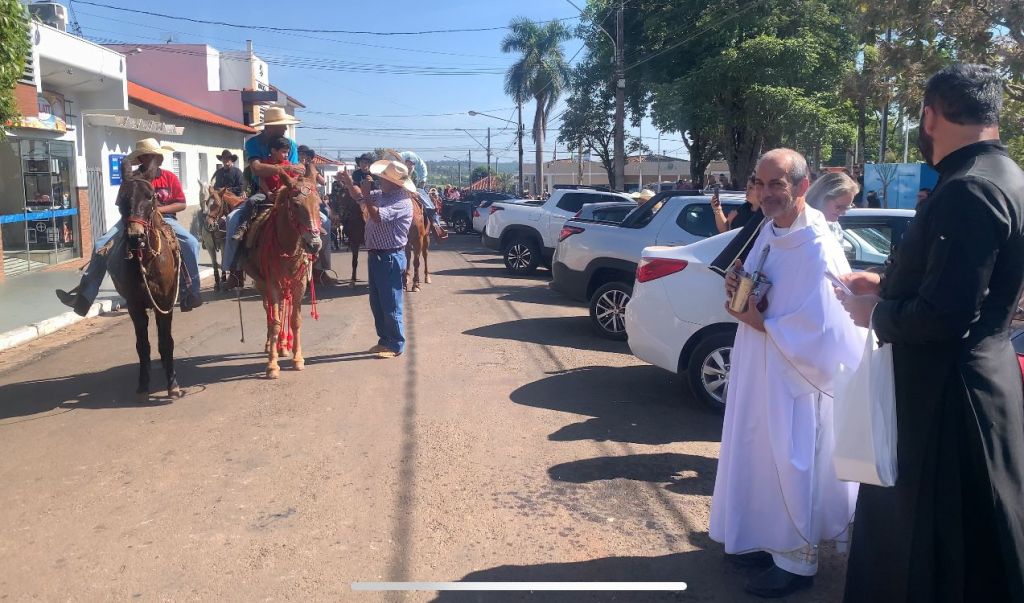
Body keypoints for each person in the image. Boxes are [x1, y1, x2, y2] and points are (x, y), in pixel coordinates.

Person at [837, 64, 1024, 603]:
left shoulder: (969, 188)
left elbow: (946, 316)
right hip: (979, 383)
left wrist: (874, 314)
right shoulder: (1006, 175)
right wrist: (885, 282)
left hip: (946, 401)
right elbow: (963, 282)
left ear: (929, 117)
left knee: (932, 550)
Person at [712, 148, 864, 598]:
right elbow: (759, 283)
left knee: (791, 461)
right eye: (760, 183)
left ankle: (797, 563)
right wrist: (737, 285)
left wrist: (762, 322)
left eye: (777, 183)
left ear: (802, 186)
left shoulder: (817, 244)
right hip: (759, 366)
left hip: (796, 381)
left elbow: (829, 326)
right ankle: (762, 540)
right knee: (756, 453)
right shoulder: (770, 228)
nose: (766, 193)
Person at [56, 138, 203, 315]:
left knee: (191, 243)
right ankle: (84, 298)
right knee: (100, 245)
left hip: (164, 218)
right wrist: (133, 217)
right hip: (133, 219)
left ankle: (191, 292)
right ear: (141, 159)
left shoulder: (169, 177)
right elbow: (121, 203)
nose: (155, 159)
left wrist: (158, 209)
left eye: (156, 155)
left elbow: (181, 204)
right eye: (150, 156)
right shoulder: (131, 179)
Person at [338, 160, 413, 358]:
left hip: (390, 257)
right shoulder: (382, 195)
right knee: (377, 303)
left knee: (391, 303)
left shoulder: (402, 201)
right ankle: (385, 340)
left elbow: (377, 216)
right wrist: (349, 183)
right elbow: (358, 196)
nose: (380, 180)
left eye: (383, 178)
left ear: (394, 183)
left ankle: (395, 344)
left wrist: (366, 194)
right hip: (378, 256)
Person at [223, 107, 300, 289]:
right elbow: (257, 169)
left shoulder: (290, 144)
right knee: (232, 219)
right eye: (282, 126)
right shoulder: (253, 143)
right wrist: (285, 169)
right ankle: (234, 271)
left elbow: (296, 172)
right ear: (270, 127)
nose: (285, 129)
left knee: (322, 220)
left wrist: (284, 183)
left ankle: (318, 270)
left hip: (288, 191)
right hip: (263, 191)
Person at [398, 150, 447, 239]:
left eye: (411, 164)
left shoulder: (415, 174)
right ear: (405, 164)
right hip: (402, 191)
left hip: (414, 190)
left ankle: (435, 225)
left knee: (428, 204)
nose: (410, 166)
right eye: (408, 163)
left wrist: (413, 191)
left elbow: (415, 185)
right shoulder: (401, 173)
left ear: (414, 165)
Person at [804, 171, 859, 241]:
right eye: (839, 207)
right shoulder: (800, 225)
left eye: (847, 208)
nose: (843, 213)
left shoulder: (834, 226)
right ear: (822, 198)